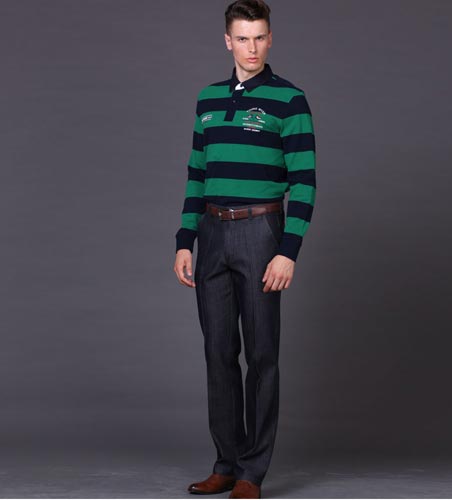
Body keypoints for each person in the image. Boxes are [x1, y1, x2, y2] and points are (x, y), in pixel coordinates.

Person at [173, 0, 316, 497]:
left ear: (270, 39)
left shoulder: (289, 100)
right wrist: (185, 240)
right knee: (218, 353)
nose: (251, 48)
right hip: (211, 233)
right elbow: (196, 173)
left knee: (261, 355)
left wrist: (288, 251)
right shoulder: (207, 99)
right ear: (227, 41)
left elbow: (305, 182)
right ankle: (226, 462)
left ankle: (252, 472)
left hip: (261, 233)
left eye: (259, 37)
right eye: (242, 38)